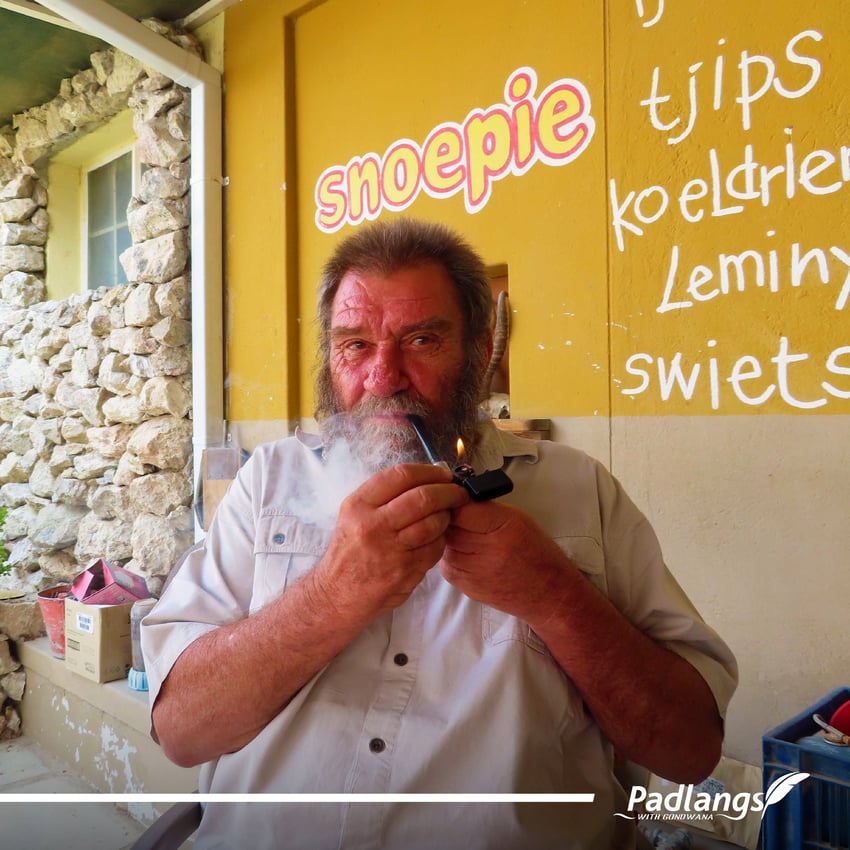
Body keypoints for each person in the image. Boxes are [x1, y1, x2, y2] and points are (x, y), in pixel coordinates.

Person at [142, 217, 737, 850]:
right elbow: (182, 731)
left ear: (480, 354)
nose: (384, 377)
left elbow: (690, 750)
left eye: (422, 340)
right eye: (355, 345)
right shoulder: (269, 482)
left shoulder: (578, 490)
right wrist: (334, 593)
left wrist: (552, 594)